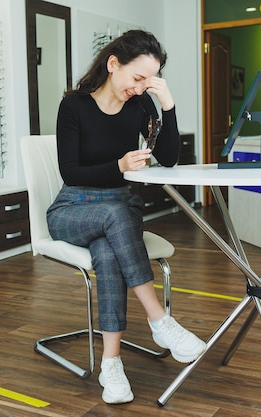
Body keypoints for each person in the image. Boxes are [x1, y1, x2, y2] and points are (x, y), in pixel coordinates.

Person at [46, 29, 206, 405]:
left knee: (107, 251)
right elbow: (70, 172)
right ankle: (159, 320)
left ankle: (111, 364)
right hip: (73, 209)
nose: (138, 88)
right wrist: (118, 165)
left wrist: (166, 105)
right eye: (137, 78)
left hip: (118, 210)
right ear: (113, 64)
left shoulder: (140, 105)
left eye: (147, 82)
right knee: (115, 217)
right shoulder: (74, 106)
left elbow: (168, 157)